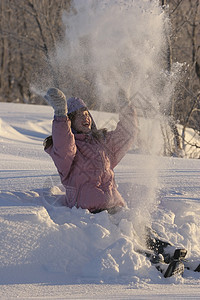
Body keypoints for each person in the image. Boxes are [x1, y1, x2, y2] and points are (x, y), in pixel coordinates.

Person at [43, 88, 138, 214]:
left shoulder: (102, 142)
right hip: (89, 215)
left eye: (86, 113)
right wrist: (61, 114)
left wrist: (125, 104)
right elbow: (63, 146)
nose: (85, 117)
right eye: (79, 115)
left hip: (116, 208)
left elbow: (128, 133)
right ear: (70, 121)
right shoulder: (69, 148)